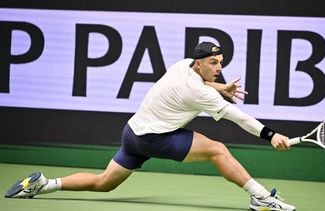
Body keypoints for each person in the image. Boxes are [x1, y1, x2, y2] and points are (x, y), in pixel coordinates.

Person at [4, 42, 296, 211]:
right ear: (198, 63)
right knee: (218, 150)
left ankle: (45, 184)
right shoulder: (198, 92)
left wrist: (221, 86)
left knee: (104, 182)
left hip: (133, 133)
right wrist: (270, 135)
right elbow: (239, 118)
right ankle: (261, 198)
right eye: (212, 62)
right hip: (156, 137)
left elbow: (204, 82)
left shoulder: (184, 65)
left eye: (220, 62)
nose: (218, 67)